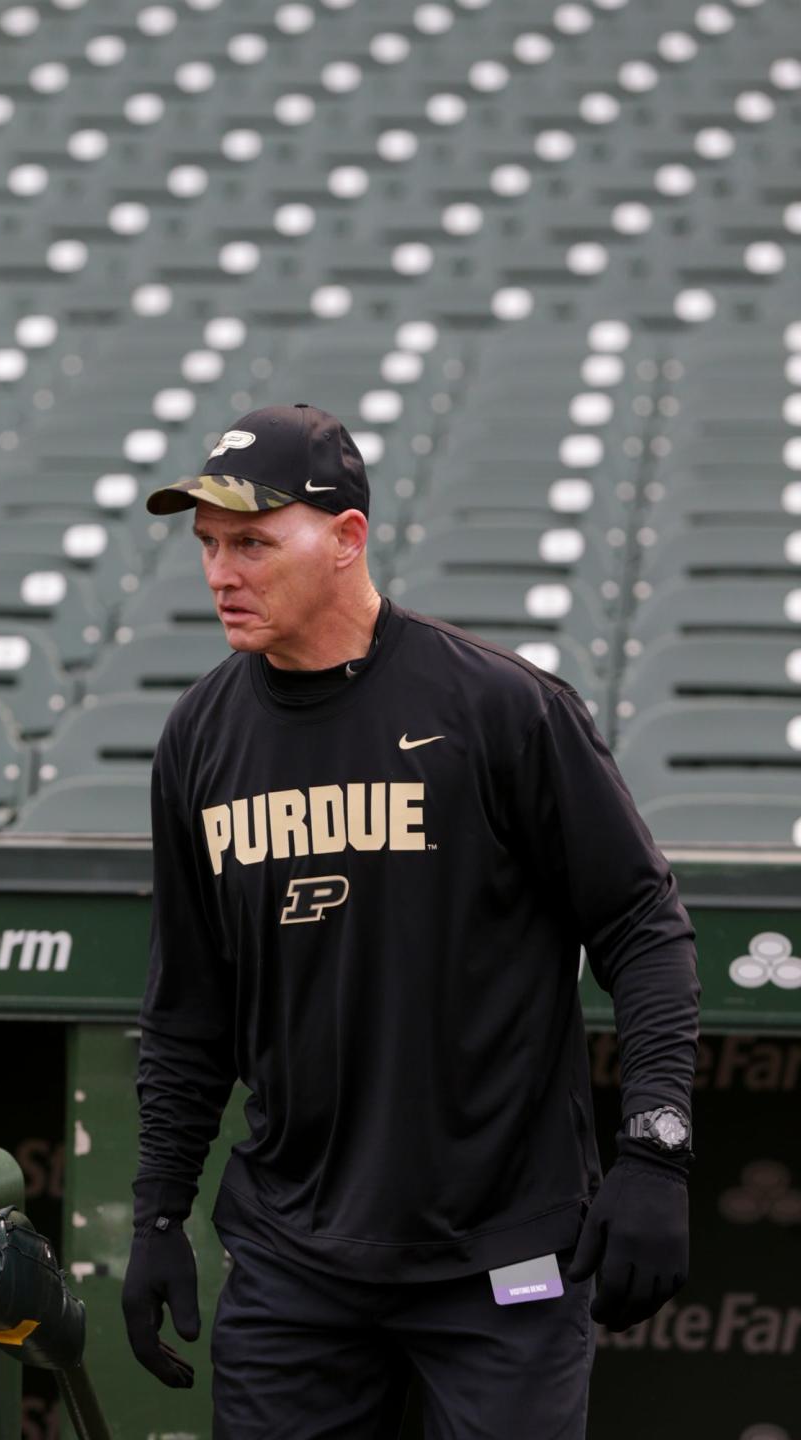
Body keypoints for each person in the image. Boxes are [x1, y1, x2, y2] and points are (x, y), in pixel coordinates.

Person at [121, 402, 700, 1439]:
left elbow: (642, 926)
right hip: (296, 1268)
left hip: (502, 1262)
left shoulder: (501, 707)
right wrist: (159, 1211)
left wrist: (656, 1149)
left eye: (252, 540)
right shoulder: (198, 738)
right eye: (207, 544)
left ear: (347, 539)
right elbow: (188, 1012)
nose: (221, 572)